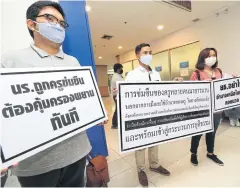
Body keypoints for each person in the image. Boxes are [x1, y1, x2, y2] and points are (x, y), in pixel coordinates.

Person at [1, 1, 107, 187]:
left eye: (61, 22)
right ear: (32, 24)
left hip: (77, 152)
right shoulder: (11, 60)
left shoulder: (73, 62)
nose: (57, 25)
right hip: (36, 164)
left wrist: (95, 112)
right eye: (50, 18)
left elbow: (81, 100)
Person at [125, 43, 182, 187]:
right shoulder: (132, 75)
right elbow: (127, 96)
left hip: (155, 113)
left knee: (155, 141)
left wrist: (172, 84)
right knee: (140, 144)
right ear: (138, 55)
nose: (148, 55)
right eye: (145, 52)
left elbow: (160, 91)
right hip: (140, 115)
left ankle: (154, 165)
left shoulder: (155, 73)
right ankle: (141, 169)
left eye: (150, 52)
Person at [190, 48, 224, 166]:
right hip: (203, 110)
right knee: (198, 133)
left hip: (217, 108)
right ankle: (193, 154)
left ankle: (210, 153)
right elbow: (191, 93)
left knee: (212, 131)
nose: (212, 58)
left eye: (214, 55)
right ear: (203, 58)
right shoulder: (197, 73)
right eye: (209, 56)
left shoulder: (219, 71)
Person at [111, 63, 124, 129]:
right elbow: (122, 86)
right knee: (118, 110)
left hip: (118, 95)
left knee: (118, 109)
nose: (122, 69)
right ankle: (114, 124)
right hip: (117, 95)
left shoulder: (118, 76)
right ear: (118, 69)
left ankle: (116, 123)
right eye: (121, 68)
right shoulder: (116, 77)